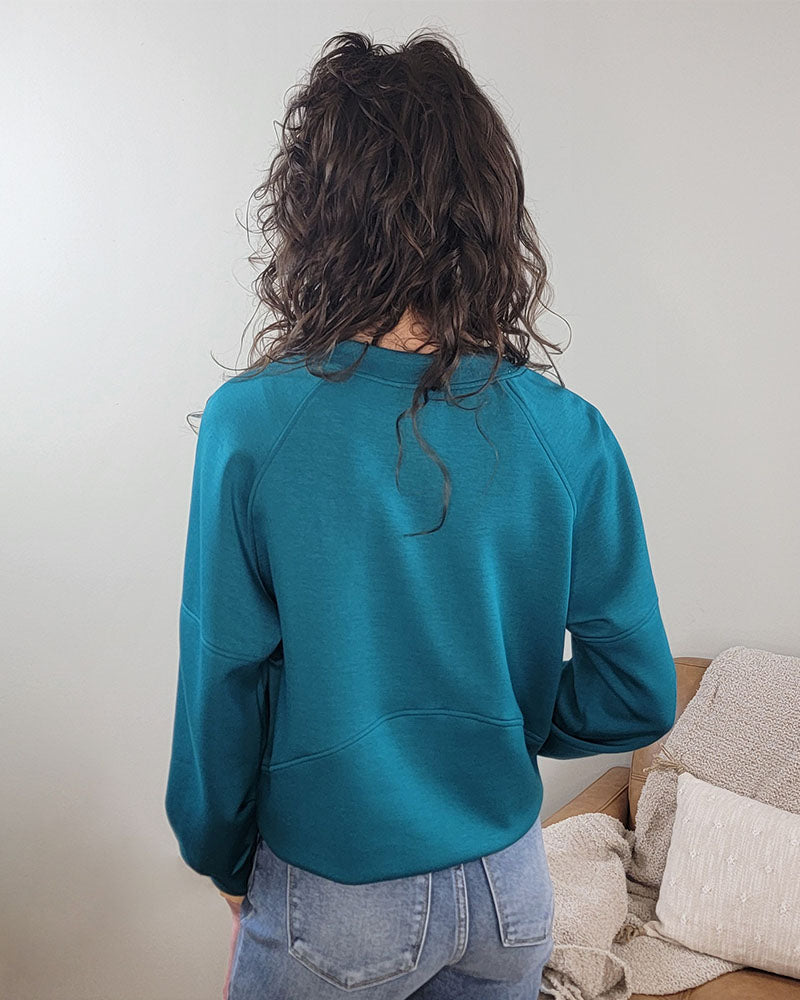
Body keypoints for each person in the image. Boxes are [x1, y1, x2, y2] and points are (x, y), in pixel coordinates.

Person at [164, 28, 677, 1000]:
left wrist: (220, 852)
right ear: (487, 212)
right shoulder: (568, 432)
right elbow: (636, 695)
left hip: (336, 890)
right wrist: (495, 715)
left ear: (318, 209)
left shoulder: (256, 422)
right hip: (511, 886)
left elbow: (221, 673)